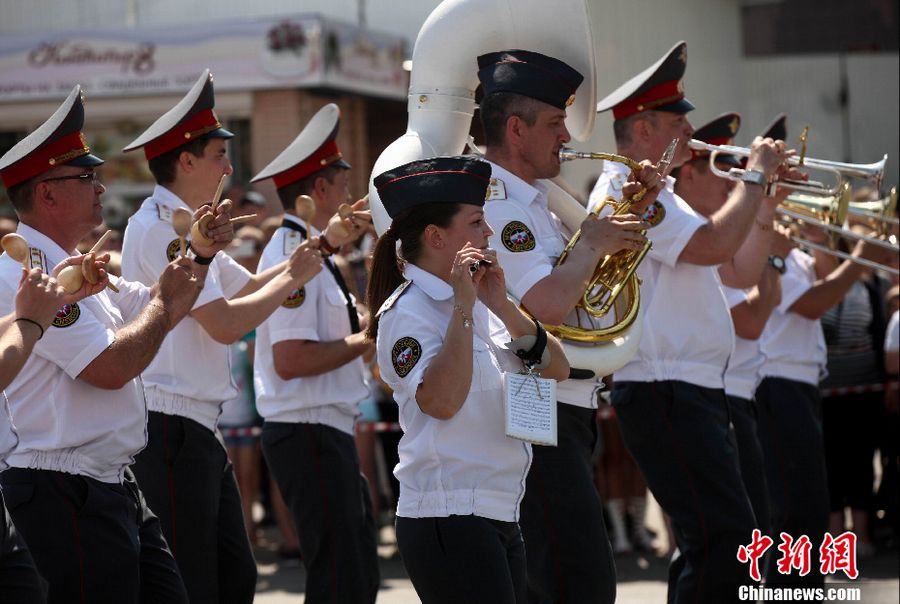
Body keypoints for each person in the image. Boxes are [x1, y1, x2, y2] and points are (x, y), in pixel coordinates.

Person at [0, 85, 220, 603]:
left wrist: (202, 253)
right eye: (86, 178)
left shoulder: (70, 268)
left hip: (108, 484)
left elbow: (161, 299)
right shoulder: (28, 273)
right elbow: (112, 365)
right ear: (47, 193)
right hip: (64, 491)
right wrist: (166, 304)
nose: (101, 189)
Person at [588, 42, 788, 602]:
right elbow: (717, 244)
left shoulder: (658, 191)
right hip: (664, 388)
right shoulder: (633, 191)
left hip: (685, 387)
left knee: (715, 544)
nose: (692, 129)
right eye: (680, 120)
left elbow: (737, 266)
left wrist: (762, 195)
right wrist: (754, 177)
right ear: (646, 128)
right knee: (726, 544)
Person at [120, 69, 323, 603]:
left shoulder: (192, 226)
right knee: (197, 580)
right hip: (168, 423)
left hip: (194, 423)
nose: (229, 167)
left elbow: (250, 286)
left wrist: (301, 255)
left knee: (233, 577)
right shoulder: (161, 228)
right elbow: (228, 321)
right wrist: (296, 275)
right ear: (185, 161)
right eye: (218, 154)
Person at [476, 48, 666, 604]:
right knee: (575, 579)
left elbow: (585, 285)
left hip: (560, 404)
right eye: (555, 123)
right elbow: (546, 307)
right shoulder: (503, 207)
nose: (566, 136)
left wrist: (630, 212)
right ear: (516, 129)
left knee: (567, 574)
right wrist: (591, 243)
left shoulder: (537, 202)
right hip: (536, 407)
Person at [368, 156, 570, 604]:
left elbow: (558, 370)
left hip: (500, 508)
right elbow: (440, 402)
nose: (489, 234)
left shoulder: (486, 298)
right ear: (436, 237)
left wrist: (502, 306)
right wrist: (462, 307)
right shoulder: (407, 312)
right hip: (450, 513)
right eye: (477, 222)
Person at [754, 112, 895, 584]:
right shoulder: (764, 234)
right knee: (797, 516)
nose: (803, 178)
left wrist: (822, 238)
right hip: (777, 384)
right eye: (789, 169)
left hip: (796, 383)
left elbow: (818, 279)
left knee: (807, 514)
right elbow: (813, 304)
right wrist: (861, 259)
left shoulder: (784, 238)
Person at [250, 102, 379, 603]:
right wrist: (370, 338)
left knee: (354, 574)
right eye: (343, 185)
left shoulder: (312, 254)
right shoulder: (291, 255)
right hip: (308, 431)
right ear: (319, 191)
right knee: (340, 580)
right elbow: (293, 358)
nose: (350, 197)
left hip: (323, 428)